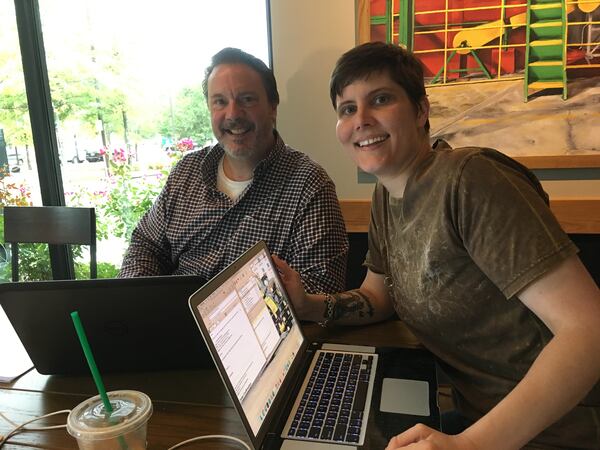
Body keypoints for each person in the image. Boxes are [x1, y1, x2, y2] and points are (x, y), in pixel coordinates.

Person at [273, 42, 600, 449]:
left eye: (381, 99)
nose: (362, 120)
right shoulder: (387, 196)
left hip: (555, 431)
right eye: (347, 108)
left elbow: (588, 328)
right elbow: (378, 296)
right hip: (476, 417)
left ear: (421, 110)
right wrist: (309, 305)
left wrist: (468, 445)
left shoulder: (471, 180)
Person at [119, 47, 348, 294]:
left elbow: (322, 290)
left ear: (272, 107)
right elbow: (146, 244)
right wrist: (138, 298)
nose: (233, 114)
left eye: (247, 99)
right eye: (220, 102)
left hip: (259, 317)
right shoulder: (186, 172)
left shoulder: (309, 186)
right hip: (173, 314)